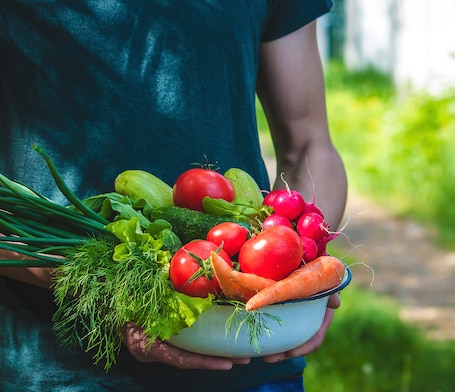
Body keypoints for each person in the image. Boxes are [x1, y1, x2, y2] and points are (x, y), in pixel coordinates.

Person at [0, 1, 347, 391]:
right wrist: (108, 286)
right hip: (60, 366)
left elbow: (311, 145)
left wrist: (304, 264)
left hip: (251, 356)